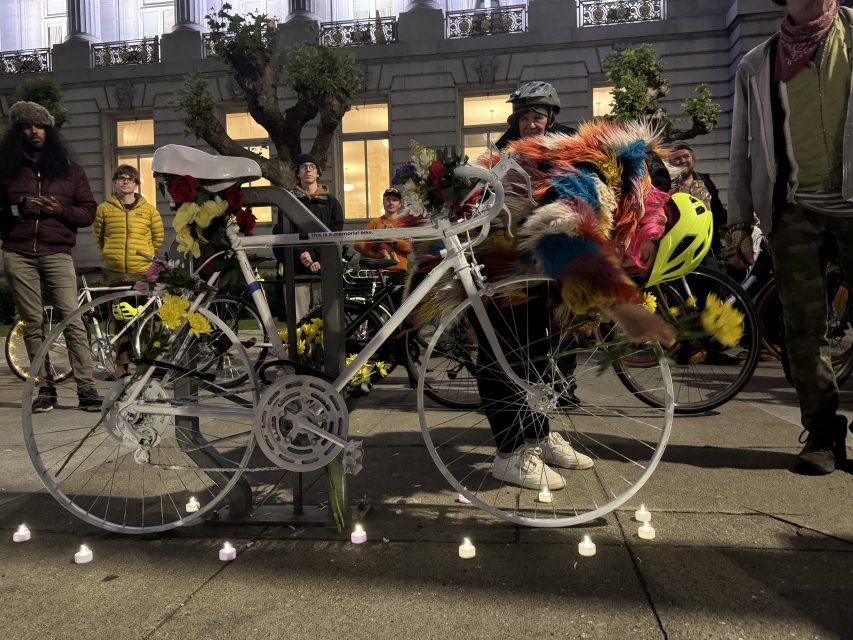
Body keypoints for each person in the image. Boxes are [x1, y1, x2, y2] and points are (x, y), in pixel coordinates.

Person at [728, 0, 853, 475]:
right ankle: (822, 435)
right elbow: (740, 147)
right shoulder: (757, 63)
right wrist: (740, 219)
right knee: (803, 328)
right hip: (792, 210)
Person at [0, 101, 102, 412]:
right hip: (18, 252)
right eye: (28, 126)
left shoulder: (71, 171)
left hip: (57, 252)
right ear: (18, 132)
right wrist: (19, 209)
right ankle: (45, 389)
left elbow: (88, 212)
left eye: (40, 126)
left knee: (72, 319)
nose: (34, 131)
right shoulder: (6, 169)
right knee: (32, 323)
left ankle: (87, 388)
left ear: (50, 131)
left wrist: (59, 210)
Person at [94, 164, 164, 377]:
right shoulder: (104, 209)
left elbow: (158, 237)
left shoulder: (149, 210)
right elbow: (99, 236)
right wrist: (110, 254)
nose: (125, 181)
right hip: (115, 272)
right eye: (121, 178)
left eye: (130, 178)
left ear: (136, 184)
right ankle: (122, 367)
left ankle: (147, 363)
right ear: (115, 182)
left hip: (142, 271)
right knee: (121, 319)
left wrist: (144, 255)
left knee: (146, 319)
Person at [273, 153, 344, 321]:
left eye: (312, 167)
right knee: (298, 324)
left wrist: (318, 256)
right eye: (303, 167)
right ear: (298, 173)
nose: (308, 170)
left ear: (318, 173)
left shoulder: (331, 203)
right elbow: (285, 231)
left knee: (325, 322)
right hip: (297, 272)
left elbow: (335, 233)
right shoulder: (289, 201)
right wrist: (303, 253)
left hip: (323, 271)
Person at [668, 142, 728, 260]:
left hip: (708, 247)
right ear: (670, 163)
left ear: (693, 158)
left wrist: (740, 222)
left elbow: (717, 211)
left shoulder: (705, 181)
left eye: (686, 156)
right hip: (678, 249)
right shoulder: (666, 185)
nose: (683, 161)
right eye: (677, 158)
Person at [353, 187, 411, 307]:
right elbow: (358, 244)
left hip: (399, 271)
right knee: (375, 308)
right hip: (380, 272)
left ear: (399, 204)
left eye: (394, 200)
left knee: (401, 308)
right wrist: (377, 255)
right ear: (383, 202)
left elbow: (409, 248)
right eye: (388, 199)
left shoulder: (405, 224)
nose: (390, 202)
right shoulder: (375, 223)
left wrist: (394, 241)